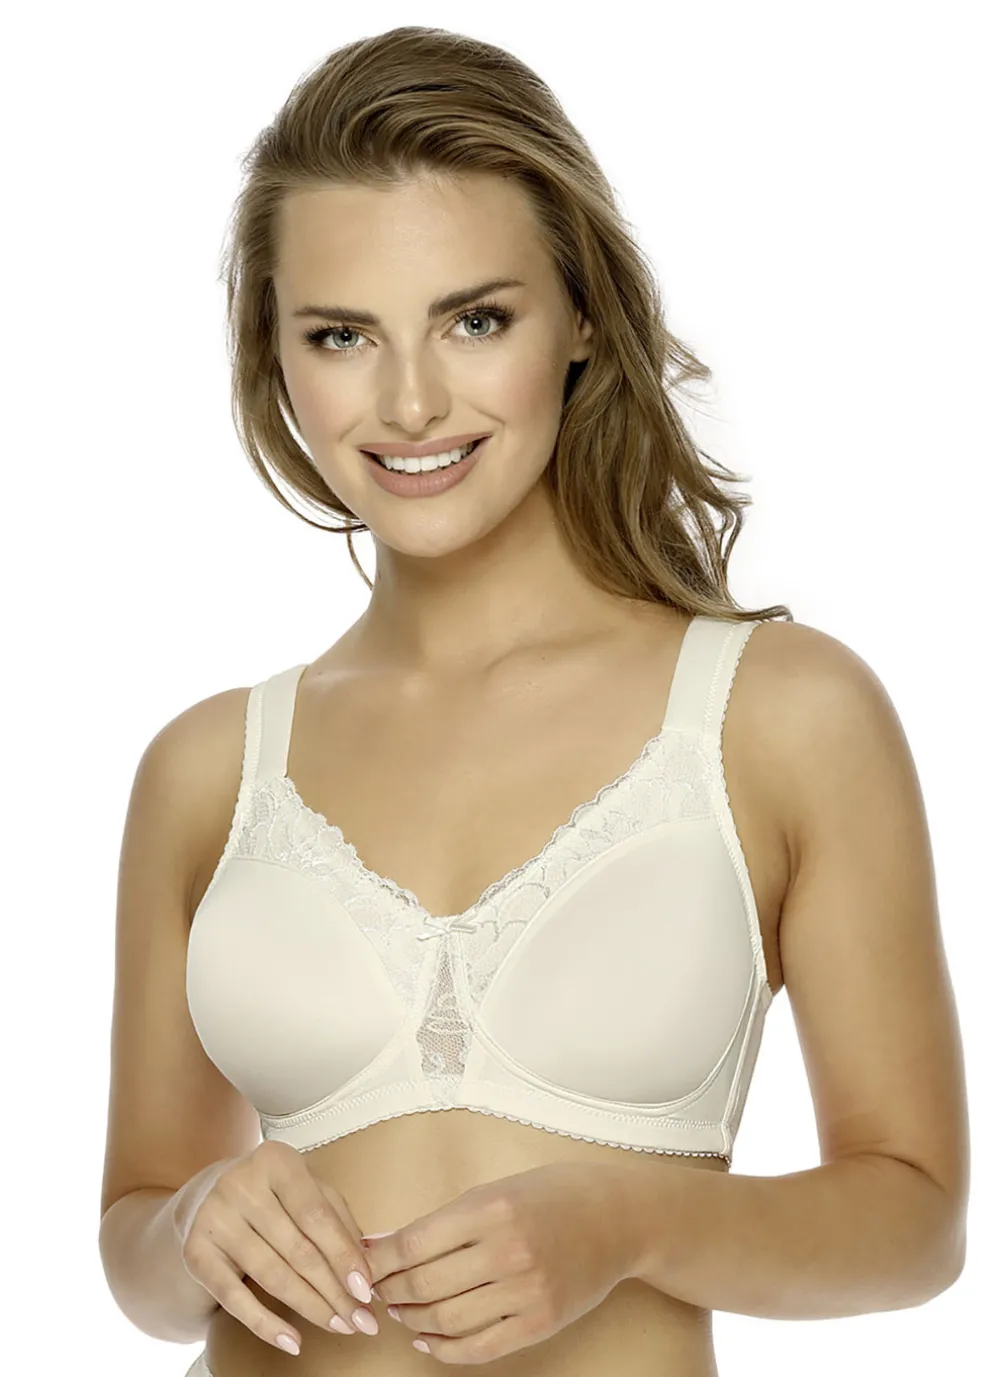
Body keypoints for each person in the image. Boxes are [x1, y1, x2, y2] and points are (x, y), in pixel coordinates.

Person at [97, 24, 969, 1377]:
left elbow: (915, 1221)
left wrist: (629, 1221)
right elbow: (139, 1244)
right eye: (341, 335)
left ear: (581, 320)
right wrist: (195, 1218)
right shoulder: (210, 768)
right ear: (276, 355)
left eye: (476, 320)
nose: (408, 402)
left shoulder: (779, 717)